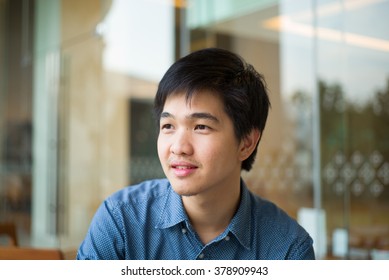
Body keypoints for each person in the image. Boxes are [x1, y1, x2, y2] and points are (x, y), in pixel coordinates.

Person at [77, 48, 315, 260]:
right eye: (168, 126)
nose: (178, 147)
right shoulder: (121, 221)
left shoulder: (287, 250)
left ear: (246, 143)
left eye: (201, 126)